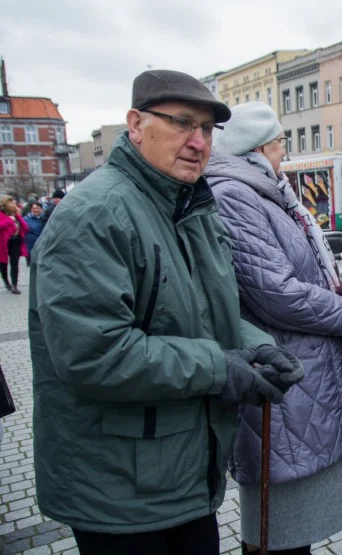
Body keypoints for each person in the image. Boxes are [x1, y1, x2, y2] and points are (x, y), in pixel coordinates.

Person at [28, 70, 304, 555]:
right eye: (182, 123)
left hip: (180, 474)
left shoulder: (192, 206)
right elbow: (95, 354)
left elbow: (210, 312)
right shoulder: (96, 213)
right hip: (118, 491)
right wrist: (221, 367)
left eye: (207, 129)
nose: (198, 142)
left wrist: (258, 344)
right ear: (135, 124)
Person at [205, 102, 342, 554]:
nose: (285, 150)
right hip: (281, 373)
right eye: (282, 141)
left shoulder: (263, 189)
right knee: (277, 530)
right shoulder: (235, 195)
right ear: (263, 146)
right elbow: (278, 292)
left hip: (298, 373)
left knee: (292, 528)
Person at [0, 195, 27, 294]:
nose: (14, 204)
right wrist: (9, 220)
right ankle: (6, 281)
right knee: (3, 263)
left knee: (14, 263)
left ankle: (14, 285)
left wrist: (18, 217)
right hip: (3, 242)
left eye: (14, 203)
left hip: (15, 241)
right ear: (5, 204)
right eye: (11, 203)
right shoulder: (1, 214)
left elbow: (24, 226)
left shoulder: (16, 214)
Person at [23, 201, 45, 266]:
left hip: (41, 247)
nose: (35, 210)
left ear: (41, 209)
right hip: (30, 247)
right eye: (34, 208)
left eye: (37, 208)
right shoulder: (26, 219)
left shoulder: (45, 219)